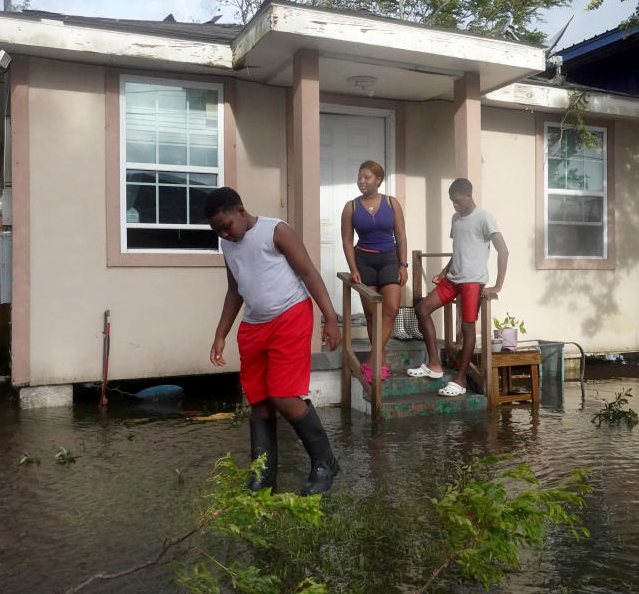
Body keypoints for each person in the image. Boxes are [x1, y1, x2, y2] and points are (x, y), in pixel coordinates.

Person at [206, 187, 342, 496]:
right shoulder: (228, 246)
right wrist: (220, 333)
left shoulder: (276, 231)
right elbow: (234, 291)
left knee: (283, 395)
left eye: (227, 226)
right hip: (254, 326)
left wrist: (330, 318)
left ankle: (324, 462)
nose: (225, 235)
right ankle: (263, 473)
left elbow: (308, 272)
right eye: (218, 232)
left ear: (240, 210)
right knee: (259, 400)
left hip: (290, 316)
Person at [408, 178, 509, 397]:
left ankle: (460, 381)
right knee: (422, 309)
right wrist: (444, 272)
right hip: (453, 279)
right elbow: (458, 250)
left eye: (458, 201)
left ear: (469, 195)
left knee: (467, 328)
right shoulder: (456, 219)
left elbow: (503, 250)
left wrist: (497, 286)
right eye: (452, 202)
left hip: (473, 282)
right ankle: (434, 365)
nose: (455, 206)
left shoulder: (485, 217)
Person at [340, 160, 408, 381]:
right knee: (371, 314)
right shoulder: (351, 206)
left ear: (378, 180)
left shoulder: (391, 203)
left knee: (391, 308)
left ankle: (372, 359)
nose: (362, 182)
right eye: (360, 177)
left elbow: (401, 236)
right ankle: (382, 361)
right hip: (364, 260)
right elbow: (347, 239)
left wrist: (403, 264)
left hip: (389, 259)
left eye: (367, 178)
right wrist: (353, 268)